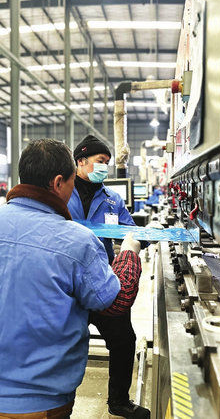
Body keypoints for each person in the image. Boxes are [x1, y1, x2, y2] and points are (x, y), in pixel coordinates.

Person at [0, 139, 144, 419]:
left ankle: (119, 399)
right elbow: (115, 300)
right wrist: (129, 253)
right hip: (41, 407)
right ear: (58, 183)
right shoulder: (78, 241)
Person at [68, 135, 151, 419]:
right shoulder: (62, 193)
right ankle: (55, 400)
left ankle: (119, 401)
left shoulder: (112, 199)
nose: (105, 167)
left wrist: (141, 238)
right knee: (63, 340)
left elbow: (130, 229)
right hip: (68, 281)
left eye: (107, 162)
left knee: (124, 340)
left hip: (102, 280)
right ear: (81, 161)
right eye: (100, 161)